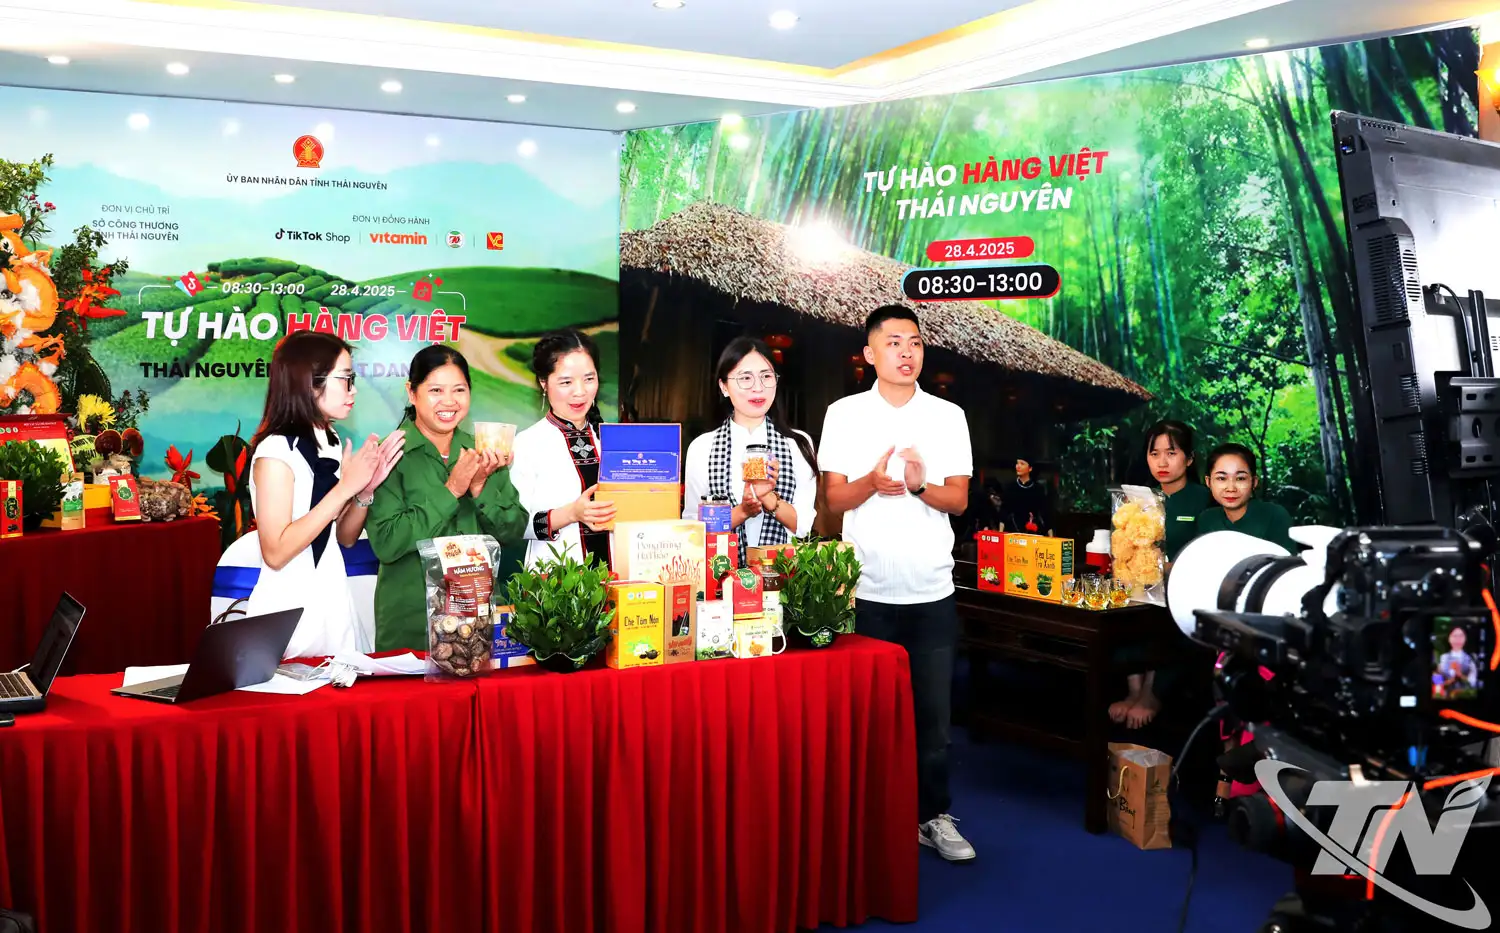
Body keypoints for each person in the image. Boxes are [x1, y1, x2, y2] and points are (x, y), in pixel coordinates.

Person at [819, 305, 975, 862]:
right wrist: (871, 481)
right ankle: (868, 821)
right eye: (893, 342)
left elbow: (958, 499)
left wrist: (918, 485)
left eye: (914, 342)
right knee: (865, 720)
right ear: (869, 354)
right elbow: (834, 499)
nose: (906, 352)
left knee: (933, 722)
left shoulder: (948, 416)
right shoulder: (844, 414)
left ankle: (933, 817)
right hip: (865, 593)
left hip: (931, 591)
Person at [247, 330, 404, 657]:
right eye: (345, 379)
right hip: (287, 612)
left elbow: (344, 536)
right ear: (310, 382)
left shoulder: (329, 440)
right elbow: (276, 552)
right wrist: (344, 488)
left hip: (333, 604)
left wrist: (364, 492)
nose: (353, 390)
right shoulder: (276, 452)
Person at [367, 346, 527, 651]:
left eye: (459, 390)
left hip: (475, 623)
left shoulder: (484, 452)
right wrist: (452, 490)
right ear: (411, 393)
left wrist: (479, 490)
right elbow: (387, 543)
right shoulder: (390, 454)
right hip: (412, 624)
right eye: (436, 390)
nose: (449, 401)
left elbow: (513, 530)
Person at [1109, 420, 1211, 729]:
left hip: (1183, 592)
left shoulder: (1204, 498)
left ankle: (1152, 693)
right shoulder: (1140, 499)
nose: (1162, 462)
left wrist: (1171, 568)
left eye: (1171, 453)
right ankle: (1134, 690)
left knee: (1163, 618)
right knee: (1122, 610)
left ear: (1189, 459)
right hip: (1141, 588)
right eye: (1155, 454)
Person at [682, 336, 819, 564]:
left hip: (783, 576)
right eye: (745, 378)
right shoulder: (702, 447)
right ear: (724, 387)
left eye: (766, 376)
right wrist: (743, 511)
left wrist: (769, 498)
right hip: (721, 577)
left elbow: (803, 526)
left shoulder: (798, 444)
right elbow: (694, 528)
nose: (758, 387)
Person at [510, 329, 615, 569]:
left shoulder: (613, 441)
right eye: (566, 382)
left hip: (618, 576)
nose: (580, 391)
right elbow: (517, 525)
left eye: (589, 379)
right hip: (555, 581)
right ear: (543, 383)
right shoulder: (527, 443)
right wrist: (571, 514)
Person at [1196, 443, 1296, 552]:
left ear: (1254, 482)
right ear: (1208, 482)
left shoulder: (1274, 516)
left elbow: (1286, 561)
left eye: (1240, 478)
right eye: (1221, 478)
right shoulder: (1207, 519)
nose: (1231, 488)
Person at [1000, 457, 1050, 534]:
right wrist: (1000, 532)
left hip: (1032, 531)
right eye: (1017, 463)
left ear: (1030, 468)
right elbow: (1004, 511)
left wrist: (1050, 534)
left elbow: (1045, 512)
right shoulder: (1010, 487)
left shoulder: (1038, 489)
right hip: (1012, 530)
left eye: (1022, 464)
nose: (1018, 466)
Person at [1435, 625, 1480, 696]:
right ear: (1449, 638)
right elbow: (1436, 680)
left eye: (1461, 636)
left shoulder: (1471, 658)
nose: (1457, 639)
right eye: (1454, 636)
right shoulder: (1443, 658)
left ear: (1465, 639)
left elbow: (1474, 682)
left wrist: (1461, 675)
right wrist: (1448, 681)